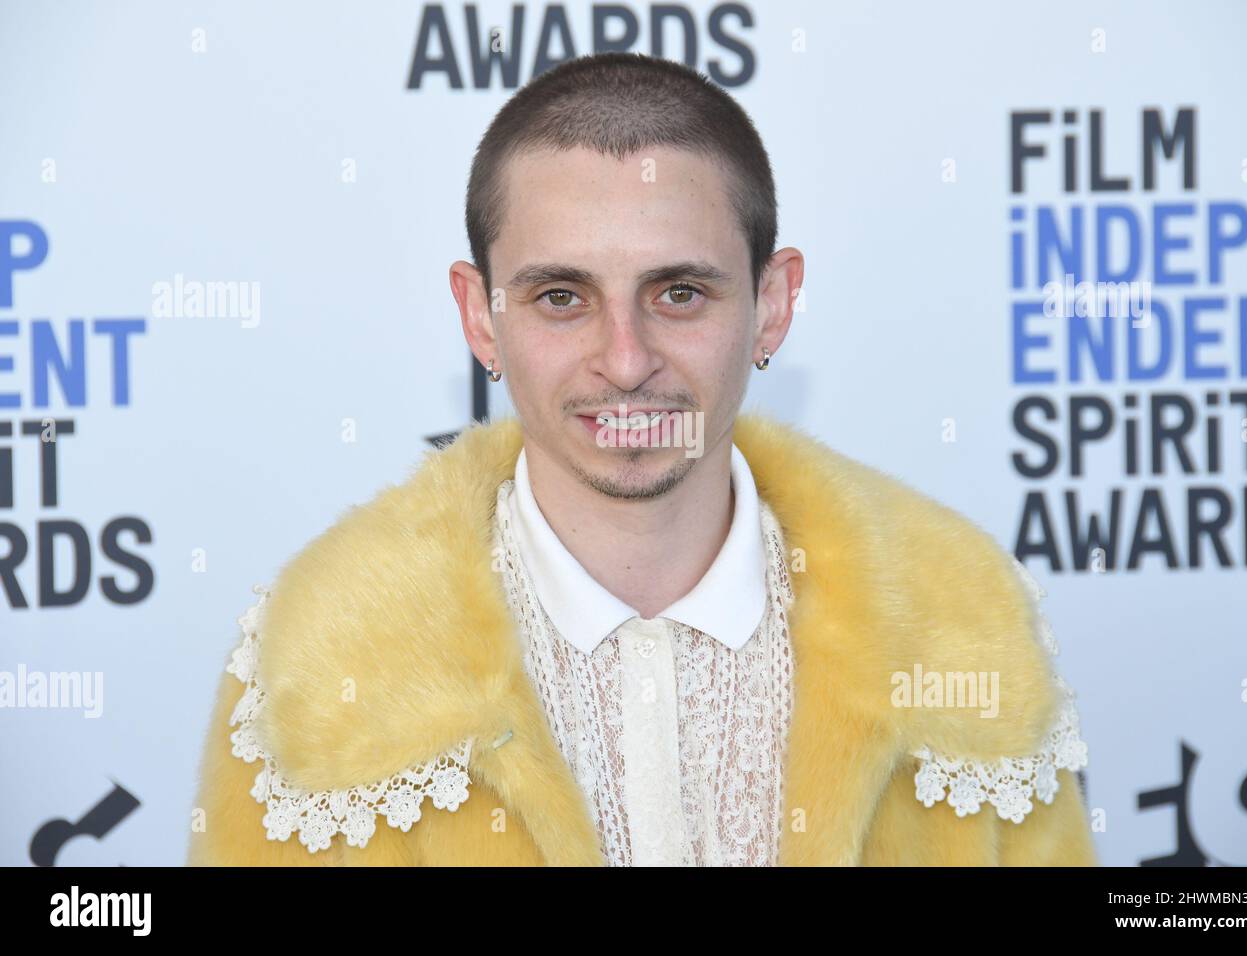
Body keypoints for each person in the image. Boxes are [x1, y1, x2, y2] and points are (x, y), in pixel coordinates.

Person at [187, 52, 1097, 866]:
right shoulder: (321, 655)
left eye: (680, 292)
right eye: (559, 297)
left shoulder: (958, 615)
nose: (625, 361)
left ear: (772, 305)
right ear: (479, 317)